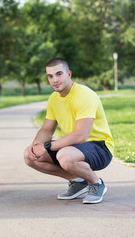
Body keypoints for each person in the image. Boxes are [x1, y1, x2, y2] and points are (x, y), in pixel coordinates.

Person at [24, 58, 114, 204]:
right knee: (29, 156)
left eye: (59, 74)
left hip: (100, 147)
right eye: (50, 76)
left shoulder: (84, 95)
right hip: (74, 147)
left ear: (69, 74)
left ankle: (96, 183)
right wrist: (36, 146)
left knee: (64, 156)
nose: (55, 80)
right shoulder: (54, 99)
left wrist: (47, 147)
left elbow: (81, 135)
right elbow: (47, 128)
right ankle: (79, 182)